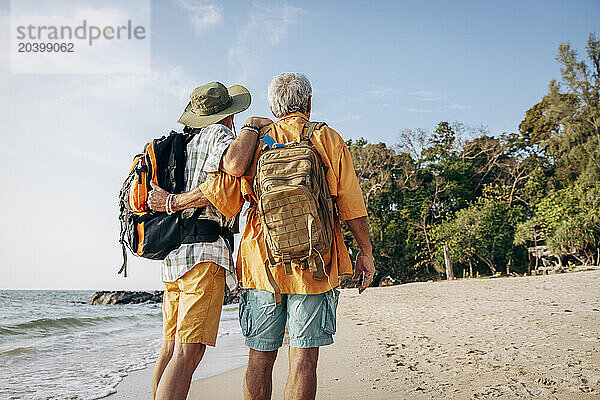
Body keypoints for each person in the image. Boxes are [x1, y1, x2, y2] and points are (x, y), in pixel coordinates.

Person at [199, 72, 376, 400]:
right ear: (309, 103)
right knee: (304, 360)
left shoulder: (253, 141)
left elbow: (225, 201)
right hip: (316, 265)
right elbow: (351, 203)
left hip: (261, 264)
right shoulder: (327, 138)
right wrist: (365, 251)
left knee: (260, 358)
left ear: (272, 106)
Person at [145, 81, 271, 400]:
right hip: (204, 255)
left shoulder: (185, 144)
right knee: (188, 355)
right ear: (229, 114)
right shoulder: (218, 134)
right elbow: (234, 164)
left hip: (174, 256)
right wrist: (253, 127)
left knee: (170, 349)